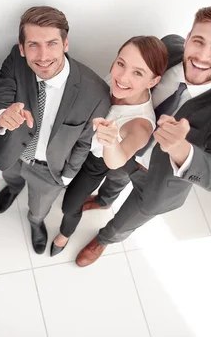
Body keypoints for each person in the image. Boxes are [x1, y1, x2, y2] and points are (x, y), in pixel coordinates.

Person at [76, 4, 211, 267]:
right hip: (126, 146)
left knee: (129, 219)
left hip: (161, 181)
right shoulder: (167, 48)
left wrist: (180, 148)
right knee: (114, 176)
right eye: (198, 41)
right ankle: (103, 200)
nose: (202, 56)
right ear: (187, 38)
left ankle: (104, 240)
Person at [0, 6, 111, 254]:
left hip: (48, 170)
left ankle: (35, 223)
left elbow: (84, 142)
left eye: (51, 43)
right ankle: (13, 188)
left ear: (65, 43)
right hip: (13, 154)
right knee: (12, 176)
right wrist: (0, 117)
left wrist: (67, 176)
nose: (42, 56)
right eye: (33, 45)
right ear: (21, 48)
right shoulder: (16, 62)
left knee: (38, 208)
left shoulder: (96, 93)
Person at [50, 36, 168, 256]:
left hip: (94, 163)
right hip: (75, 144)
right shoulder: (115, 81)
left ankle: (65, 235)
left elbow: (117, 160)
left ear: (153, 81)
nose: (122, 77)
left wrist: (111, 142)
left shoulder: (140, 124)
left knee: (69, 206)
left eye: (138, 73)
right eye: (121, 64)